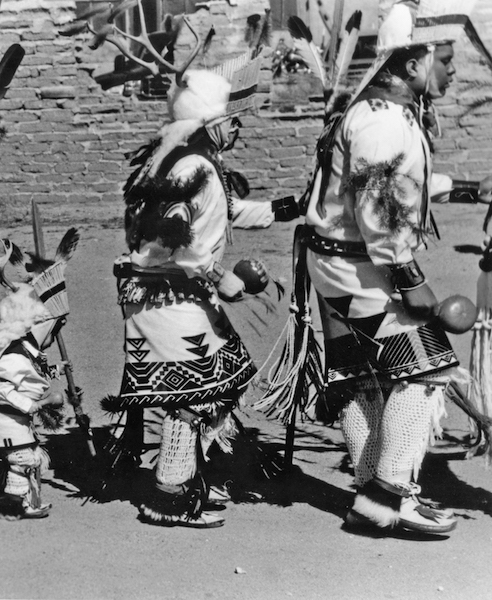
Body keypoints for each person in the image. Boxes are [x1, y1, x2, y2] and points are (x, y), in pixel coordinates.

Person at [296, 0, 490, 536]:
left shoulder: (381, 113)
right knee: (426, 371)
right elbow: (379, 212)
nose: (453, 72)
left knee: (362, 377)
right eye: (445, 61)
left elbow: (395, 189)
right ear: (411, 64)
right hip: (363, 269)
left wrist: (468, 188)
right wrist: (413, 284)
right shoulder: (382, 124)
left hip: (337, 262)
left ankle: (369, 493)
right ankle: (388, 497)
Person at [107, 54, 263, 528]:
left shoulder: (181, 158)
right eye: (232, 122)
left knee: (222, 380)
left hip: (173, 293)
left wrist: (292, 207)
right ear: (212, 123)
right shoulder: (191, 165)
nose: (238, 132)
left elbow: (224, 210)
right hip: (166, 294)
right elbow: (173, 231)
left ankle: (190, 473)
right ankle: (169, 495)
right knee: (194, 393)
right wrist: (218, 277)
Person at [0, 282, 66, 520]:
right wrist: (33, 405)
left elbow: (30, 375)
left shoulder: (24, 352)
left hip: (16, 420)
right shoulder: (15, 355)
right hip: (8, 420)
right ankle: (13, 505)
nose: (52, 339)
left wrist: (56, 370)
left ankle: (23, 501)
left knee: (27, 459)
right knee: (23, 460)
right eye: (51, 333)